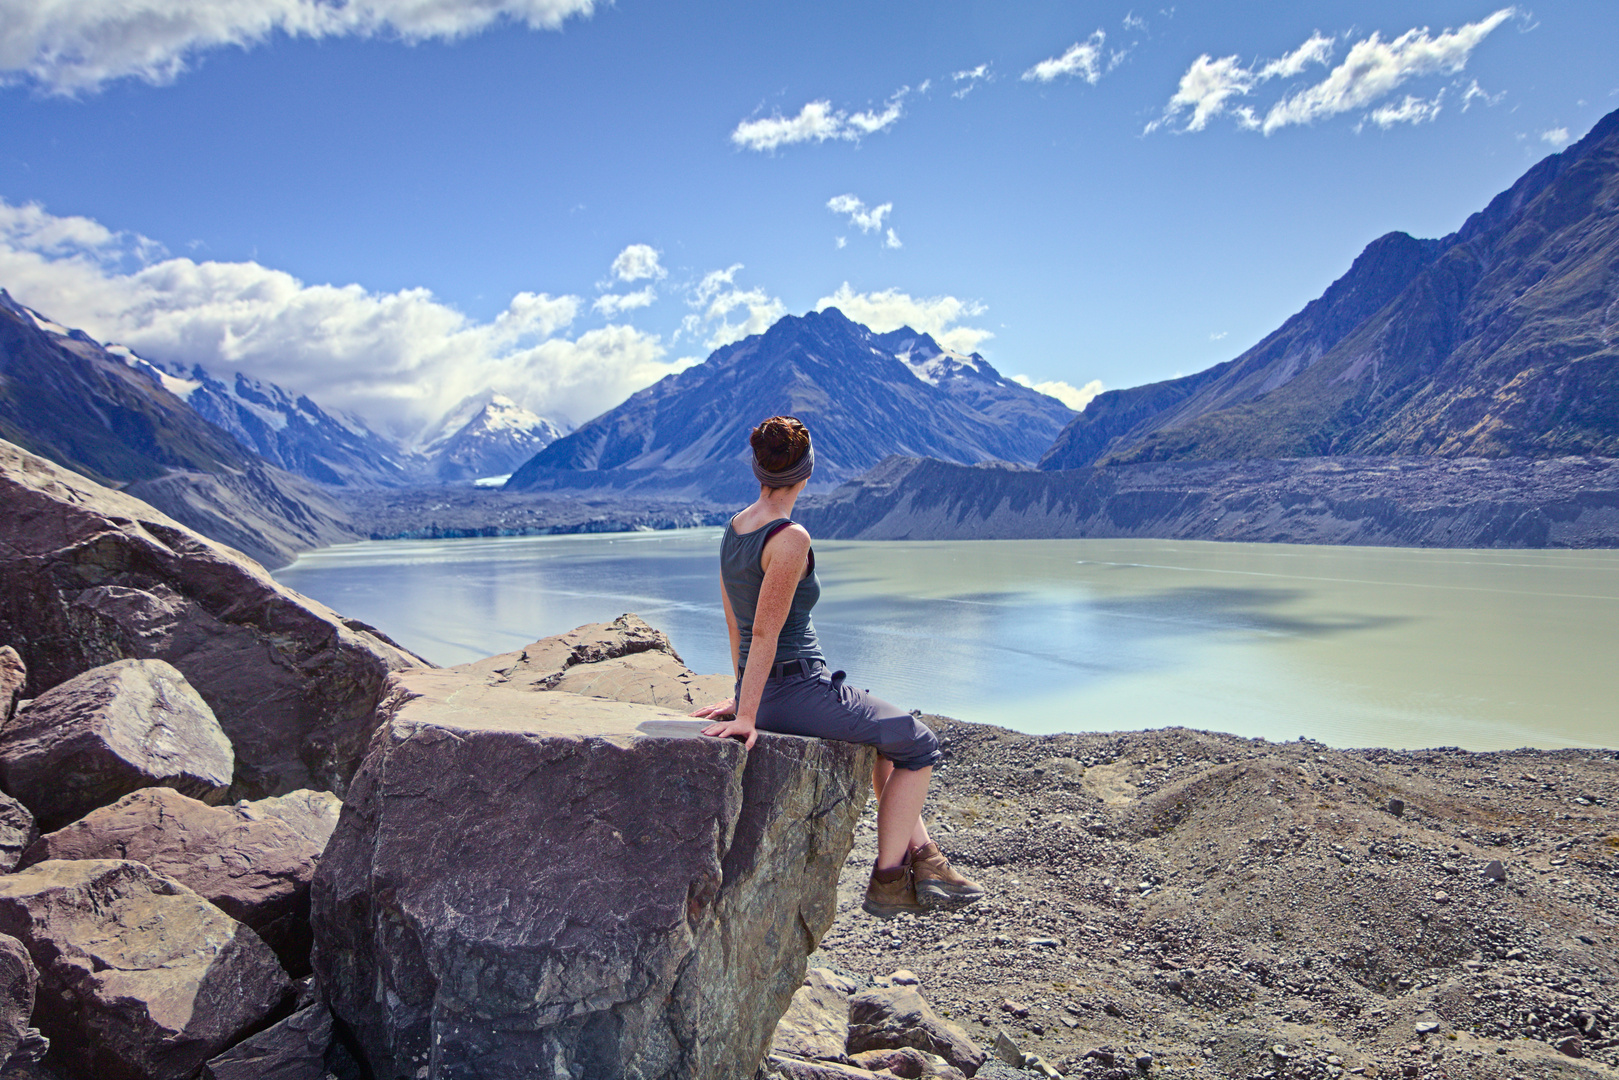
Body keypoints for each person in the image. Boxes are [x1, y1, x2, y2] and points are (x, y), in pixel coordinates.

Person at [690, 415, 984, 918]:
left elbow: (735, 626)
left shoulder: (734, 529)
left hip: (769, 691)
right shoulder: (789, 538)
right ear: (806, 473)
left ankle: (929, 860)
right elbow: (764, 632)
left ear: (758, 470)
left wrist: (744, 697)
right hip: (796, 688)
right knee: (920, 743)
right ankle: (890, 879)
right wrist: (745, 714)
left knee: (883, 744)